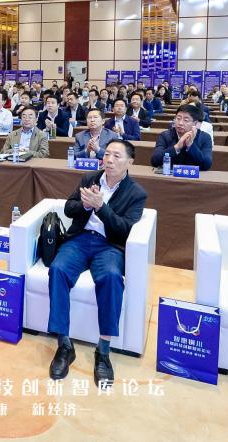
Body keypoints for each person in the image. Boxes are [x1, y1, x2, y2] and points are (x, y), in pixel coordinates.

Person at [47, 139, 147, 388]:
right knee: (58, 269)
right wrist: (84, 204)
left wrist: (101, 207)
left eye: (116, 156)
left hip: (109, 246)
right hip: (80, 240)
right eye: (107, 154)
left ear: (130, 162)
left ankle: (103, 351)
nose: (109, 160)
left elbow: (124, 229)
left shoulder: (136, 193)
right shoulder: (90, 178)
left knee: (111, 278)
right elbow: (69, 209)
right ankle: (64, 345)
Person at [151, 104, 213, 171]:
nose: (180, 123)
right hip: (170, 176)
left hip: (193, 176)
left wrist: (190, 145)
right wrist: (177, 147)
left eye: (186, 120)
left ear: (195, 123)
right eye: (178, 118)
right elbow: (155, 161)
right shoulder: (165, 135)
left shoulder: (204, 137)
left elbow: (206, 165)